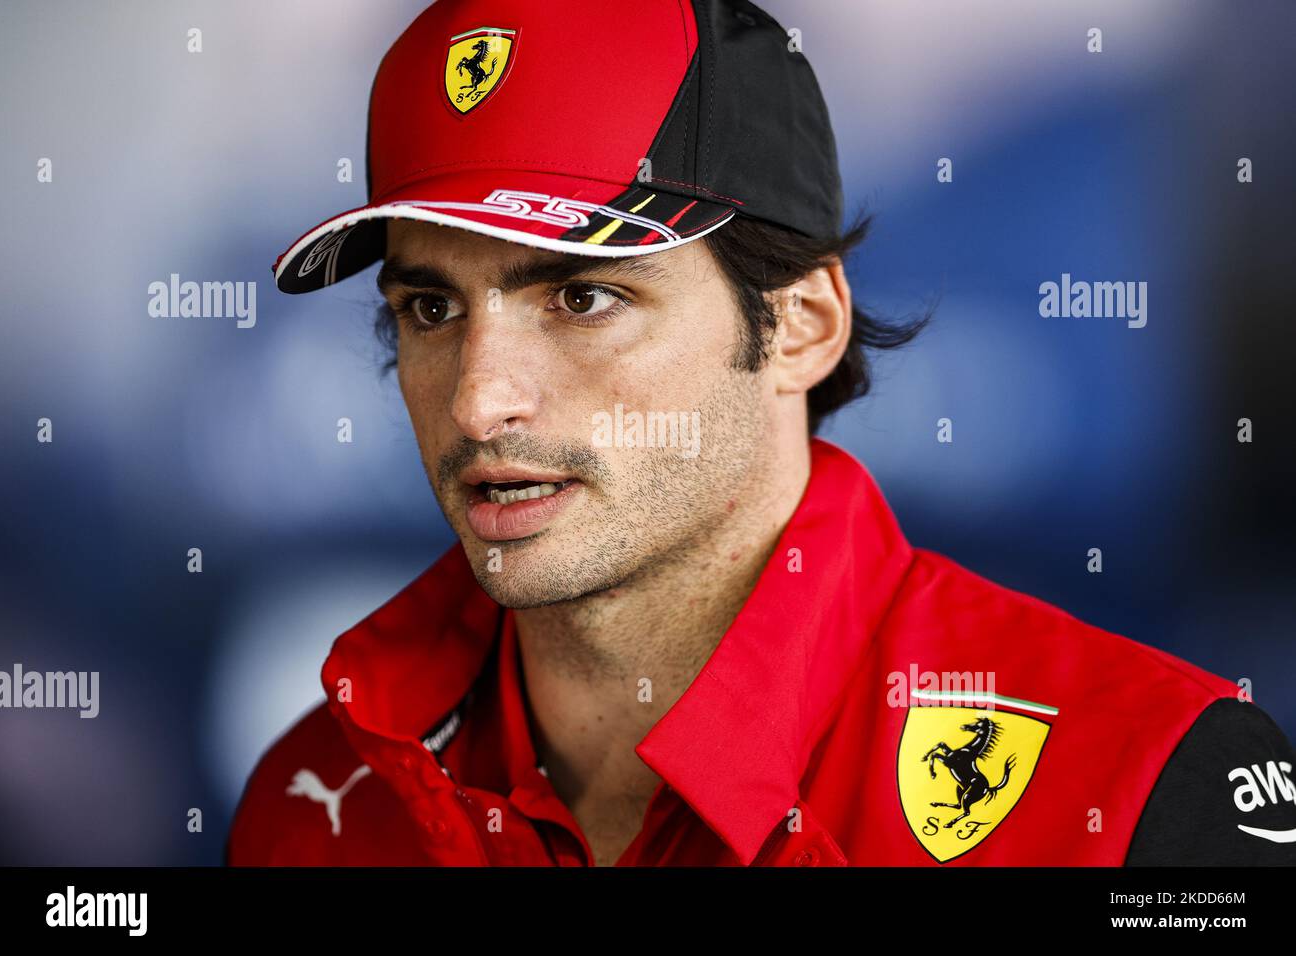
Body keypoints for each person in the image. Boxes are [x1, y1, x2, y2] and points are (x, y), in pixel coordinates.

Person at [227, 0, 1296, 866]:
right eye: (430, 308)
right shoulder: (311, 794)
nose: (479, 401)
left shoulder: (1147, 787)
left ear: (800, 325)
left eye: (583, 300)